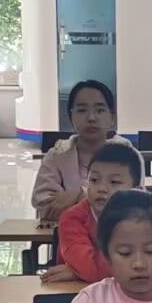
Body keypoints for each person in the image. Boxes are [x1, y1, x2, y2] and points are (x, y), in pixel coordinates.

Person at [32, 80, 131, 225]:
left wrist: (79, 194)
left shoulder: (127, 154)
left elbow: (133, 204)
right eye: (82, 110)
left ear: (112, 117)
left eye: (99, 110)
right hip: (66, 235)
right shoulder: (56, 156)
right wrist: (101, 202)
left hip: (118, 235)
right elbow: (45, 205)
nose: (91, 118)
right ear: (70, 118)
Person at [45, 140, 144, 285]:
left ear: (136, 191)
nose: (101, 188)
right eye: (94, 180)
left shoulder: (146, 219)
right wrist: (88, 271)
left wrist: (78, 272)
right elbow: (88, 267)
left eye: (114, 182)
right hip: (75, 292)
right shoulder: (72, 218)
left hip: (131, 291)